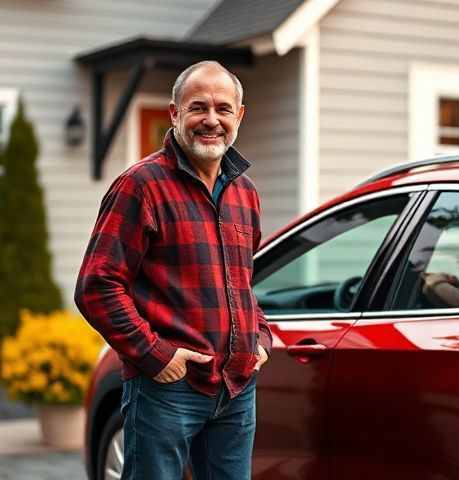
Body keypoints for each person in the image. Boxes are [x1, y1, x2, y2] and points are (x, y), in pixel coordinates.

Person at [75, 60, 272, 480]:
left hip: (236, 388)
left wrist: (260, 338)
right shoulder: (141, 185)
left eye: (223, 109)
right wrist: (155, 354)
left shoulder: (246, 193)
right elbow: (97, 285)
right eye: (198, 107)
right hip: (167, 390)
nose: (211, 120)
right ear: (174, 113)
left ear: (239, 116)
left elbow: (242, 282)